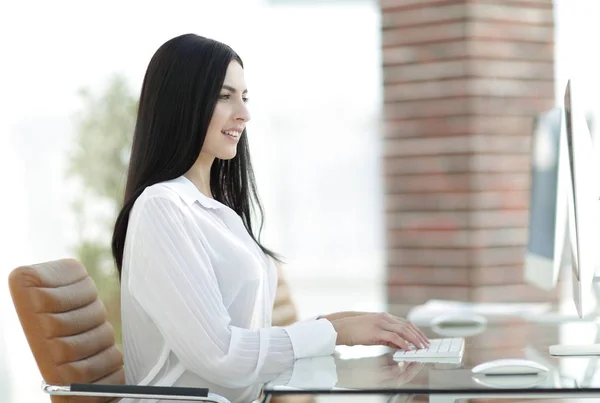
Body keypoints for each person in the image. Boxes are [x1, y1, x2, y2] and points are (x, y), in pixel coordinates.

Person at [111, 33, 429, 403]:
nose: (243, 113)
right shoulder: (162, 207)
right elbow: (222, 356)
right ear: (181, 102)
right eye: (224, 96)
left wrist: (344, 323)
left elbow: (240, 341)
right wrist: (334, 332)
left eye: (244, 97)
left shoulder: (216, 209)